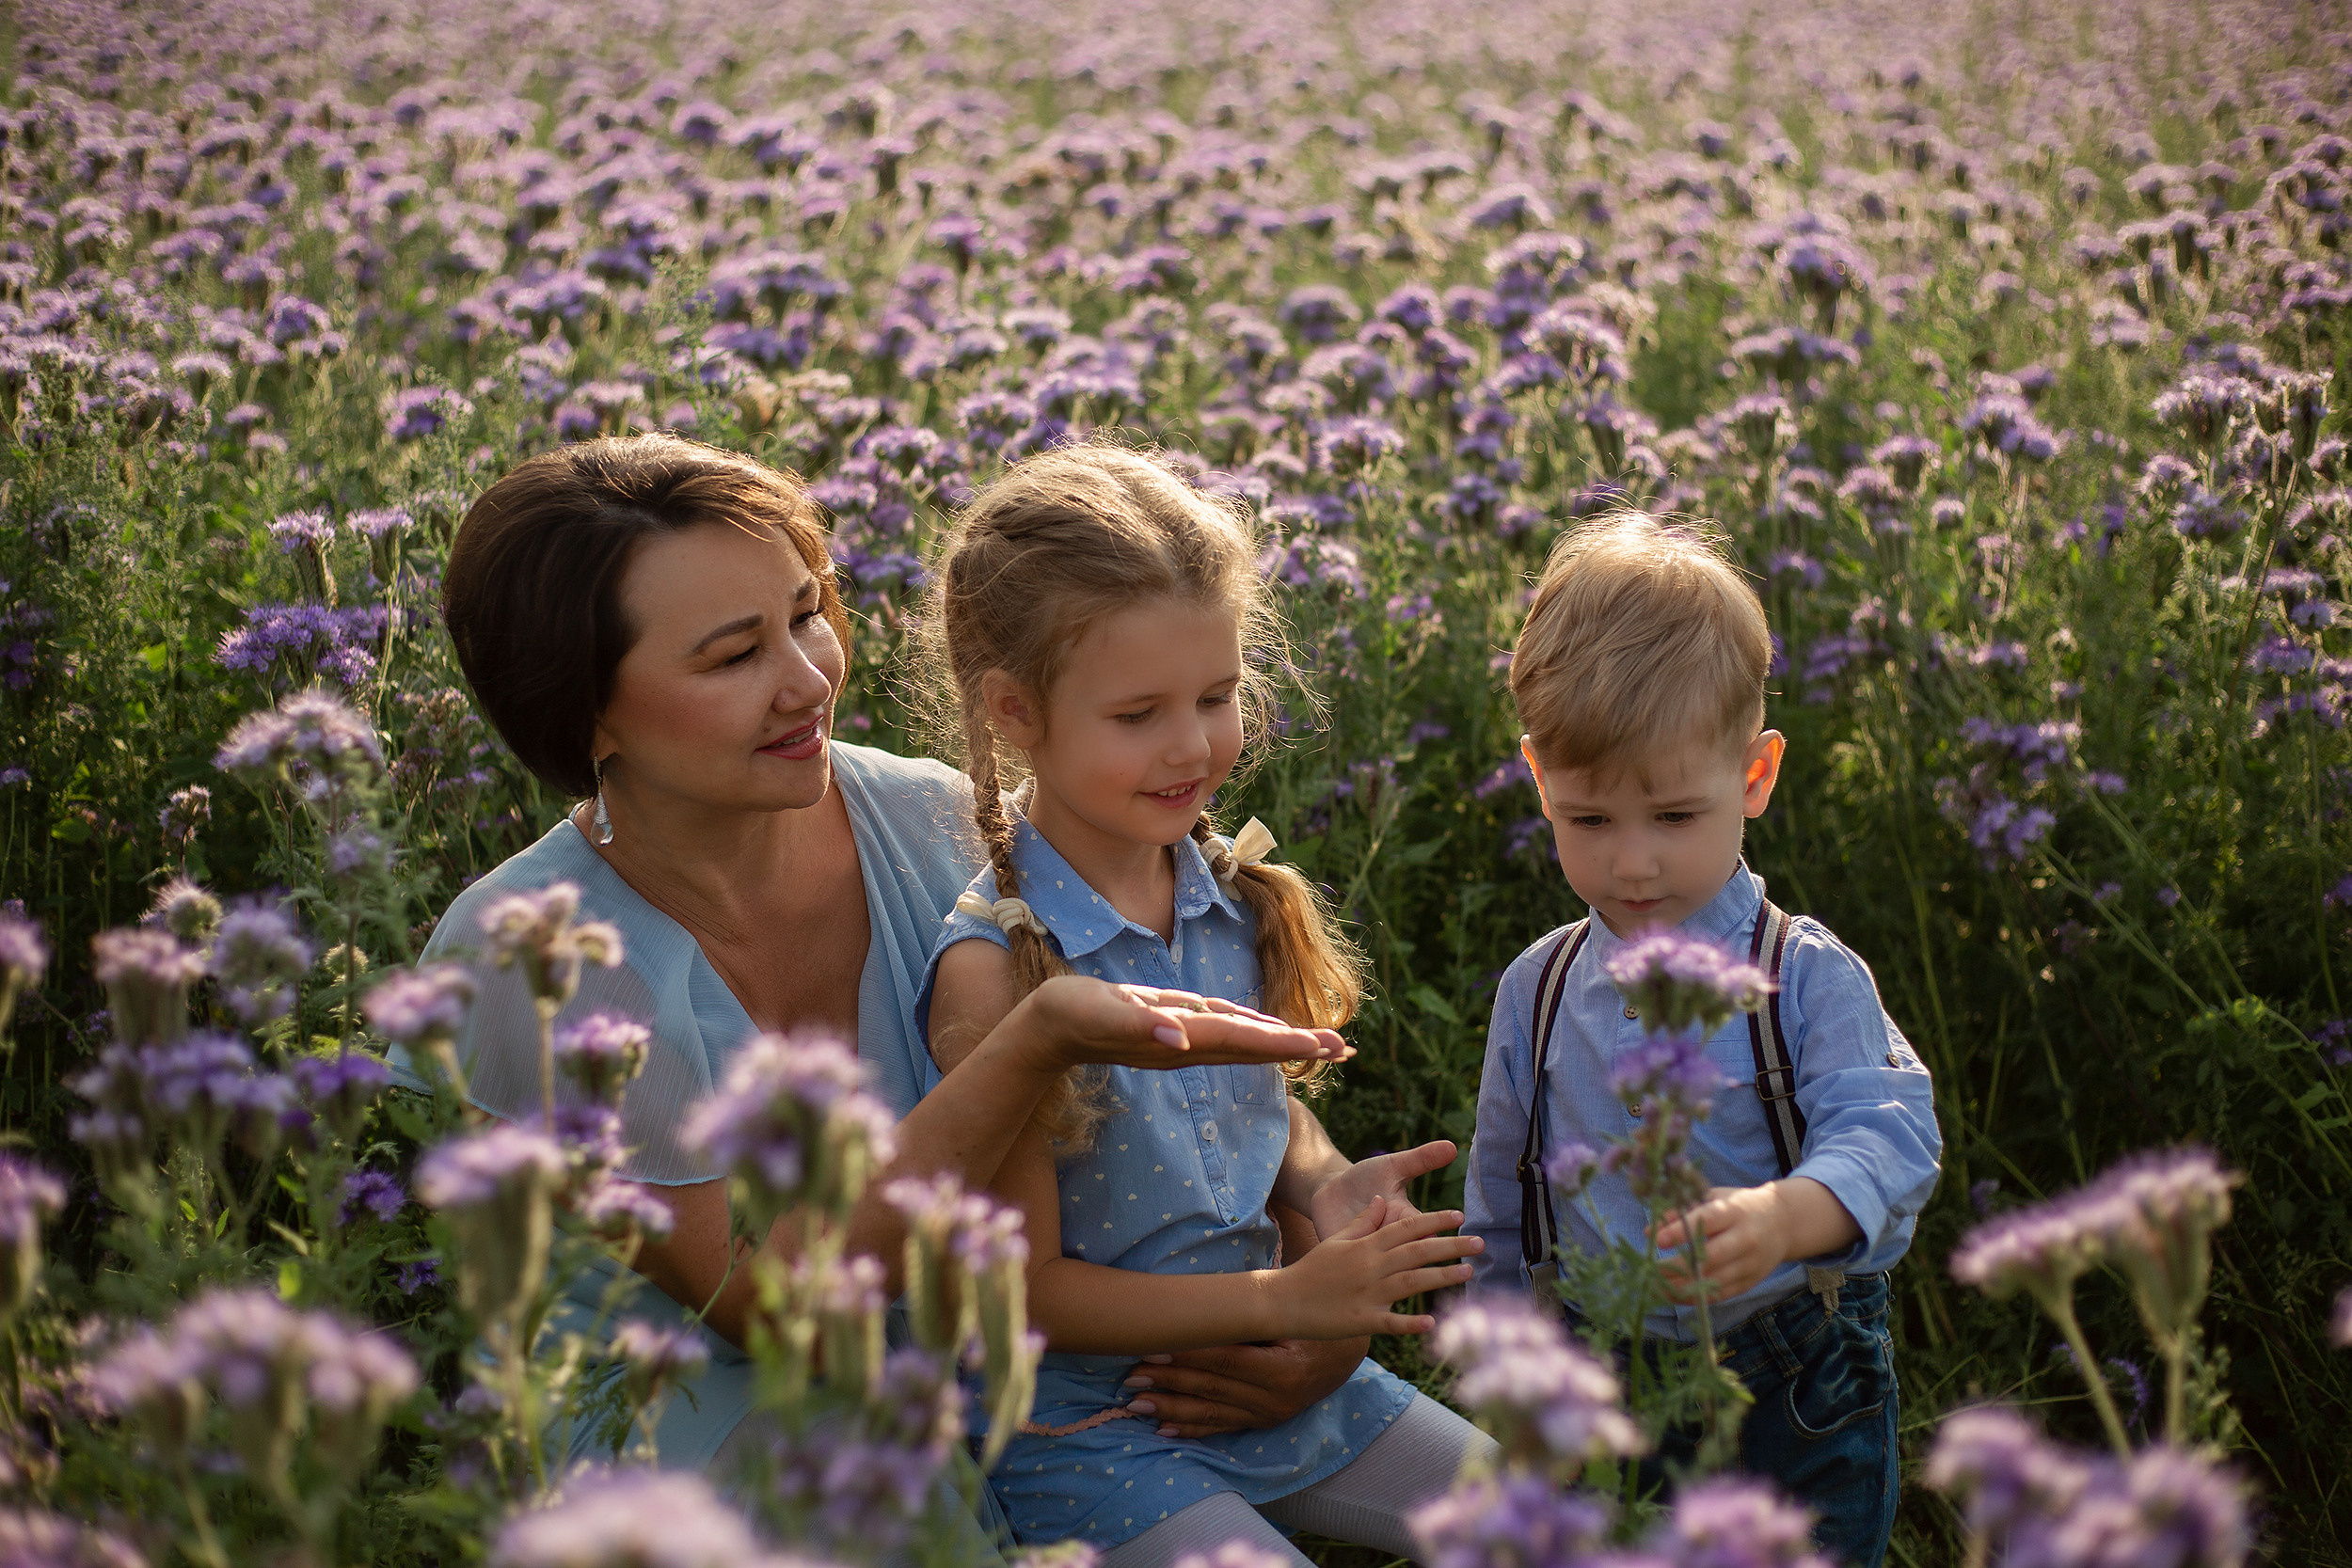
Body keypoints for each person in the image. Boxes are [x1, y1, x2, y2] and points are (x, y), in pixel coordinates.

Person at [403, 433, 1414, 1537]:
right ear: (585, 711)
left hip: (1016, 1373)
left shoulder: (937, 818)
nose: (808, 679)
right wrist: (1031, 1045)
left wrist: (1316, 1304)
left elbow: (1192, 1106)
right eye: (733, 656)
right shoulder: (531, 957)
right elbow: (774, 1311)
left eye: (806, 612)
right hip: (720, 1427)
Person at [918, 444, 1496, 1568]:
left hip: (1271, 1377)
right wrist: (1285, 1297)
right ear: (1014, 708)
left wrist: (1326, 1185)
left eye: (1216, 697)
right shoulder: (996, 967)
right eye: (1138, 713)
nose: (1191, 744)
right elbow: (1026, 1291)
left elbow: (1251, 1110)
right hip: (1091, 1432)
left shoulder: (1224, 892)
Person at [1459, 513, 1942, 1568]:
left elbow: (1890, 1132)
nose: (1633, 863)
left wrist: (1787, 1215)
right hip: (1604, 1378)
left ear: (1755, 776)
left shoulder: (1801, 973)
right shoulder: (1538, 988)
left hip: (1793, 1379)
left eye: (1675, 816)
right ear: (1539, 780)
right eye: (1589, 820)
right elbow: (1503, 1199)